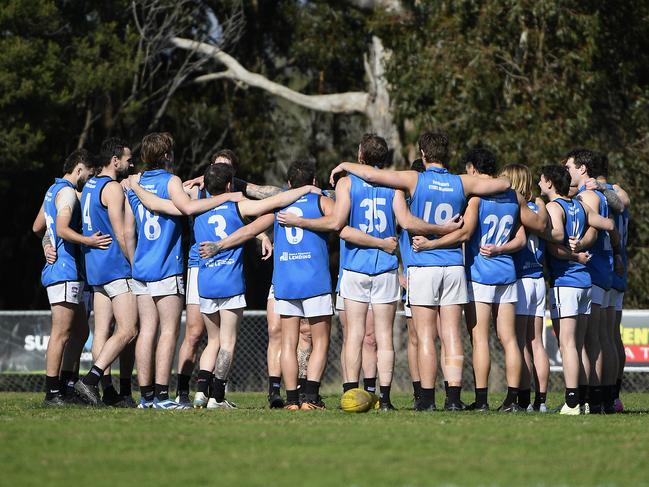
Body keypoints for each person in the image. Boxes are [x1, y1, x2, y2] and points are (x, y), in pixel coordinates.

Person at [327, 131, 512, 411]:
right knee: (451, 335)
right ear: (447, 155)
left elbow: (376, 176)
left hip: (423, 264)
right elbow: (505, 183)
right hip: (452, 265)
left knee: (425, 336)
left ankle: (426, 399)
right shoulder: (461, 181)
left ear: (423, 155)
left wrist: (346, 165)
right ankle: (452, 399)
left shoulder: (415, 178)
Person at [280, 134, 459, 410]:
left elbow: (338, 224)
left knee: (355, 336)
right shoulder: (393, 186)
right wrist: (441, 229)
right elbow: (407, 221)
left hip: (355, 268)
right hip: (386, 267)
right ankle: (384, 399)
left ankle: (350, 394)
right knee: (384, 337)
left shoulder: (347, 183)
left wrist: (301, 220)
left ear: (360, 155)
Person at [192, 163, 320, 408]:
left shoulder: (196, 208)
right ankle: (217, 397)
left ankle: (200, 392)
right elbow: (274, 202)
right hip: (229, 282)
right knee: (227, 342)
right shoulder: (238, 207)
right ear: (229, 185)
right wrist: (304, 191)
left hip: (205, 281)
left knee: (212, 340)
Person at [32, 149, 109, 406]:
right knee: (62, 333)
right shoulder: (67, 193)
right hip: (64, 270)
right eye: (88, 174)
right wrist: (89, 241)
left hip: (66, 271)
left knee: (79, 331)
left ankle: (67, 385)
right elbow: (62, 229)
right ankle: (52, 393)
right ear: (79, 169)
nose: (88, 178)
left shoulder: (52, 190)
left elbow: (38, 227)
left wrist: (45, 243)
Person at [540, 164, 615, 414]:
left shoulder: (553, 207)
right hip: (585, 281)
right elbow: (607, 224)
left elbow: (556, 237)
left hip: (567, 281)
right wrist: (584, 241)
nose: (539, 184)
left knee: (568, 344)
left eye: (541, 180)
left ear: (550, 183)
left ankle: (572, 401)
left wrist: (542, 230)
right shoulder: (580, 205)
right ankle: (583, 399)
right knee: (580, 343)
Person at [74, 138, 139, 406]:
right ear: (115, 161)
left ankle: (106, 391)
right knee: (128, 330)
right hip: (116, 267)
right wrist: (136, 265)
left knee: (101, 331)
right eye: (127, 159)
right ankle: (90, 380)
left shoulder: (89, 185)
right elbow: (122, 232)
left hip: (96, 268)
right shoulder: (112, 188)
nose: (130, 163)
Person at [564, 149, 619, 413]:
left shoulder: (588, 196)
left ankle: (593, 399)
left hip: (594, 269)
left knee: (591, 340)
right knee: (604, 337)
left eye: (569, 167)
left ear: (582, 168)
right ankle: (605, 398)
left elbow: (595, 231)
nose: (567, 172)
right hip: (606, 270)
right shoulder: (601, 195)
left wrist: (577, 247)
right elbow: (614, 222)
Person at [501, 164, 551, 412]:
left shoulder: (514, 208)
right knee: (537, 343)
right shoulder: (538, 209)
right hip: (538, 279)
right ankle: (540, 401)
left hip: (520, 279)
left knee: (519, 342)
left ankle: (521, 399)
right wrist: (541, 202)